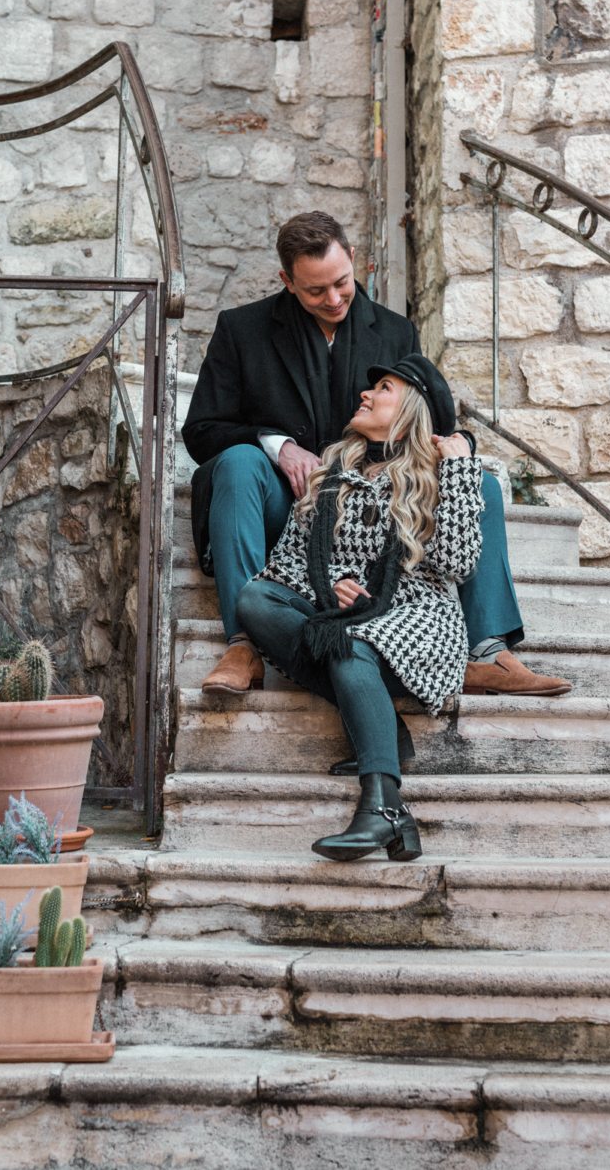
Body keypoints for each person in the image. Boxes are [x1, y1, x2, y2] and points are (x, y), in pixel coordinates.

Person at [182, 209, 570, 712]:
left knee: (483, 487)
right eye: (316, 290)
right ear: (287, 282)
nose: (335, 299)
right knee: (235, 464)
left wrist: (458, 450)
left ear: (355, 263)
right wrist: (276, 446)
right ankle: (242, 645)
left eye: (342, 283)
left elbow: (429, 416)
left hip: (371, 508)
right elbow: (201, 431)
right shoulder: (241, 330)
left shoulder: (395, 331)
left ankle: (490, 651)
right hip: (287, 504)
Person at [236, 356, 478, 861]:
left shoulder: (438, 473)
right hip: (343, 620)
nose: (365, 394)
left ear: (411, 410)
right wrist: (330, 586)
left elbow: (457, 563)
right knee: (255, 599)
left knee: (350, 640)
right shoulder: (332, 470)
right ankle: (387, 734)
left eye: (383, 388)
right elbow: (285, 563)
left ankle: (383, 808)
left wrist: (457, 466)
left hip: (417, 620)